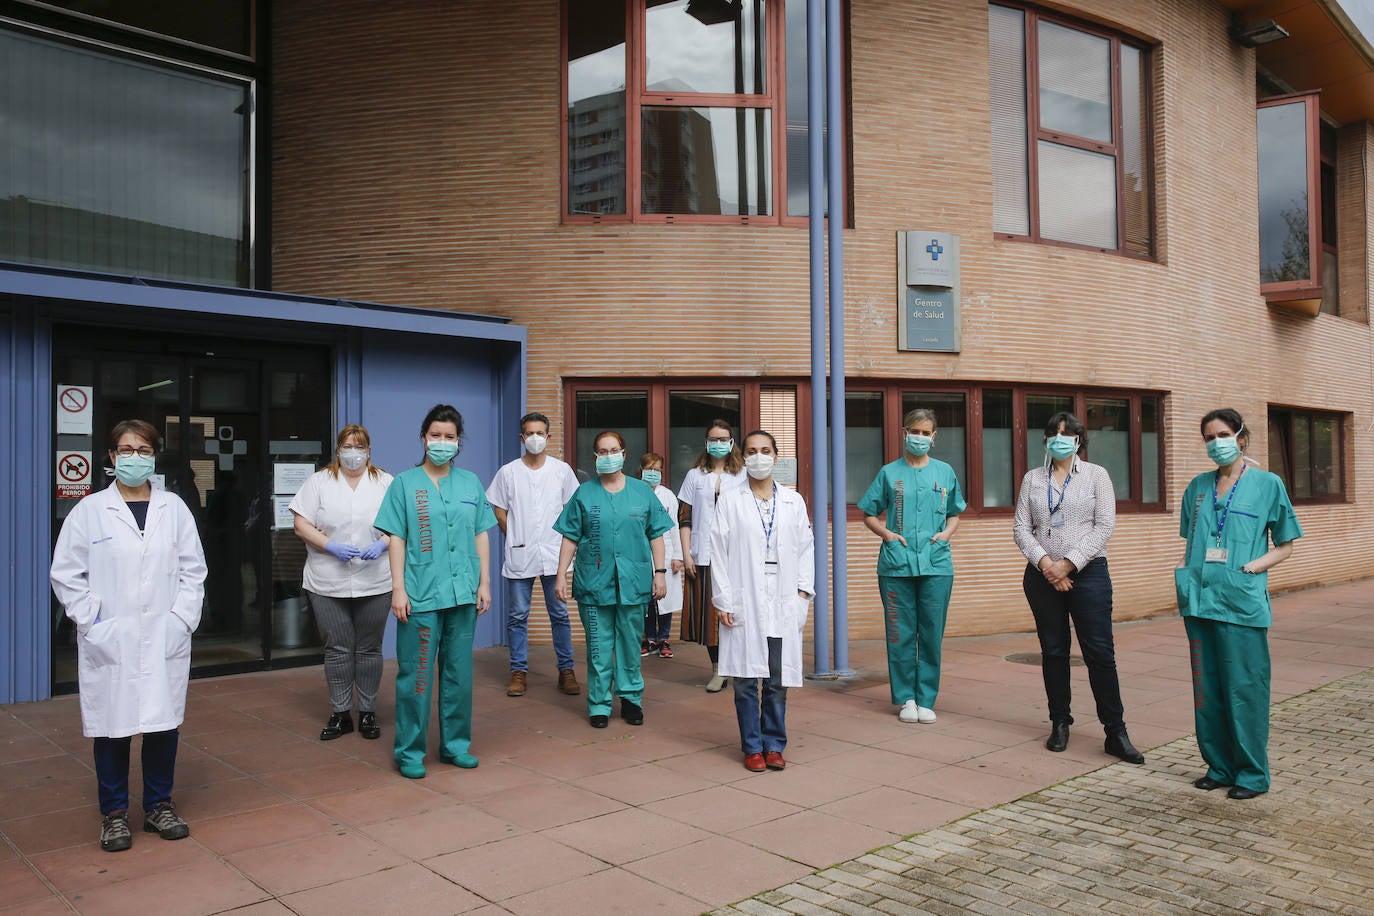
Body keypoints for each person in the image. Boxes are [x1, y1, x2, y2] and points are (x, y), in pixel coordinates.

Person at [50, 420, 207, 853]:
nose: (133, 457)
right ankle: (114, 814)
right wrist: (92, 620)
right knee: (112, 728)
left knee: (162, 724)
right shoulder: (90, 510)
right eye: (124, 449)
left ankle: (159, 806)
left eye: (142, 449)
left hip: (163, 632)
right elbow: (66, 573)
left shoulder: (173, 508)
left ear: (154, 456)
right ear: (111, 457)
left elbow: (194, 570)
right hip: (111, 635)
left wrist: (181, 620)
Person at [1176, 408, 1302, 799]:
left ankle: (1251, 775)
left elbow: (1286, 544)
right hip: (1199, 601)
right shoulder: (1197, 487)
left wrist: (1255, 567)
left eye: (1223, 434)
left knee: (1244, 689)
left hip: (1241, 601)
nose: (1216, 443)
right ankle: (1219, 766)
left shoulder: (1268, 484)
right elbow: (1190, 540)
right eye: (1209, 437)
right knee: (1207, 690)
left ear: (1242, 437)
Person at [1013, 411, 1143, 764]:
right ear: (1045, 440)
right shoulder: (1032, 479)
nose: (1060, 439)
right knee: (1054, 651)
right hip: (1041, 578)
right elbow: (1022, 528)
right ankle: (1060, 722)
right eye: (1053, 433)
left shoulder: (1096, 475)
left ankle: (1115, 730)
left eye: (1067, 434)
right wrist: (1047, 566)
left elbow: (1104, 526)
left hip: (1088, 575)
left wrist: (1067, 565)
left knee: (1100, 653)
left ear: (1079, 440)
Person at [373, 404, 496, 779]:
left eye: (450, 437)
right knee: (417, 676)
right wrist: (398, 589)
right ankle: (410, 751)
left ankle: (456, 745)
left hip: (462, 593)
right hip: (421, 593)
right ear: (424, 438)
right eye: (435, 435)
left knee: (459, 675)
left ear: (459, 443)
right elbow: (397, 537)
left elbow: (481, 533)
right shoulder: (405, 484)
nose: (442, 442)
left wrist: (485, 582)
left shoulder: (471, 483)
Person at [711, 431, 815, 772]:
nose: (759, 457)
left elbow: (805, 549)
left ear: (775, 455)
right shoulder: (729, 499)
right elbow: (719, 553)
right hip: (745, 597)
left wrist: (802, 594)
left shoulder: (793, 500)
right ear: (743, 456)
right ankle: (752, 747)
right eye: (752, 451)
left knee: (776, 679)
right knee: (744, 680)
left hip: (783, 597)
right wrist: (724, 600)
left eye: (765, 450)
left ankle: (774, 745)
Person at [555, 431, 673, 728]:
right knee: (598, 646)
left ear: (624, 454)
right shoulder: (584, 493)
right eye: (602, 452)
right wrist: (560, 575)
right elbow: (570, 536)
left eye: (613, 450)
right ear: (595, 457)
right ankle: (599, 703)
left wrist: (660, 574)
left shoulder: (642, 491)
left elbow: (656, 535)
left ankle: (631, 699)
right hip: (593, 582)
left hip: (634, 582)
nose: (608, 456)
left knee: (631, 644)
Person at [859, 407, 965, 724]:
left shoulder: (945, 472)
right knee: (900, 634)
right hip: (896, 566)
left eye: (925, 432)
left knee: (931, 633)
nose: (919, 437)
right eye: (913, 431)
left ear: (934, 437)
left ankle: (926, 698)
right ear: (904, 433)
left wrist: (946, 534)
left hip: (936, 564)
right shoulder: (889, 473)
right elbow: (868, 512)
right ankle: (906, 698)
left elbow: (955, 511)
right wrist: (888, 535)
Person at [289, 424, 394, 741]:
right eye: (347, 446)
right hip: (327, 579)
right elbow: (300, 524)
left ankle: (367, 712)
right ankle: (339, 713)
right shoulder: (319, 482)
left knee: (369, 648)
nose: (353, 452)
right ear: (337, 450)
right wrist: (328, 544)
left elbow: (402, 524)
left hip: (376, 580)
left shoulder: (385, 482)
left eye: (359, 446)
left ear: (369, 451)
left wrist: (384, 543)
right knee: (337, 649)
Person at [486, 412, 581, 698]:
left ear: (549, 437)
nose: (535, 438)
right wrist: (512, 533)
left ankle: (566, 670)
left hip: (554, 553)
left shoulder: (562, 470)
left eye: (540, 433)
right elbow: (499, 508)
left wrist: (563, 540)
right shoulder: (508, 472)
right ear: (521, 437)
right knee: (517, 615)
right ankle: (519, 671)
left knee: (560, 614)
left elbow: (571, 507)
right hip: (520, 552)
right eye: (530, 433)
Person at [678, 420, 748, 692]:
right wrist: (687, 555)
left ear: (732, 443)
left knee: (738, 612)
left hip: (736, 557)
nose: (718, 443)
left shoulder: (743, 475)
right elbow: (685, 518)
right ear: (706, 442)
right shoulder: (695, 475)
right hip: (703, 556)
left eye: (723, 439)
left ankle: (739, 666)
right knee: (709, 616)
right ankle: (718, 669)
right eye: (713, 439)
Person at [639, 452, 683, 659]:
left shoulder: (668, 496)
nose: (653, 473)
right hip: (641, 554)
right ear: (641, 469)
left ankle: (664, 638)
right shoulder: (634, 491)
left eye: (657, 470)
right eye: (650, 469)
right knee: (646, 600)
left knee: (665, 600)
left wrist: (678, 556)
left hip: (666, 553)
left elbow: (674, 528)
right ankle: (649, 639)